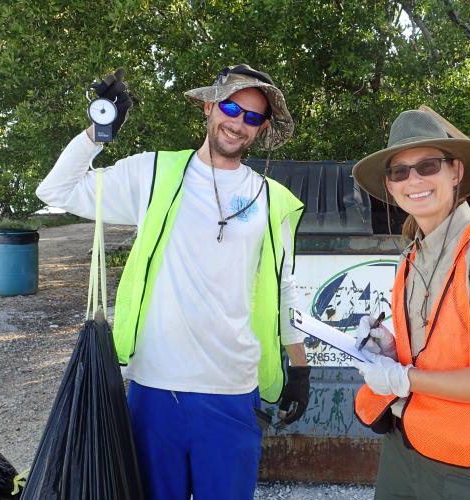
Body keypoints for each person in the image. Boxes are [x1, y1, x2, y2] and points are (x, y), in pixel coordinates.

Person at [36, 64, 310, 499]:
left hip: (233, 390)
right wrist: (98, 130)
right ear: (209, 106)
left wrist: (300, 367)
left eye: (252, 117)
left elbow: (284, 288)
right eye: (231, 108)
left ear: (262, 129)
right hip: (155, 388)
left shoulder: (269, 199)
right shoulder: (152, 173)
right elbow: (57, 191)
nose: (238, 123)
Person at [349, 110, 470, 500]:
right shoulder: (411, 258)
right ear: (390, 187)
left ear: (455, 172)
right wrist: (390, 350)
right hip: (403, 452)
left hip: (465, 469)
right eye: (400, 172)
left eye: (427, 166)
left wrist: (405, 379)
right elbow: (440, 349)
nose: (414, 180)